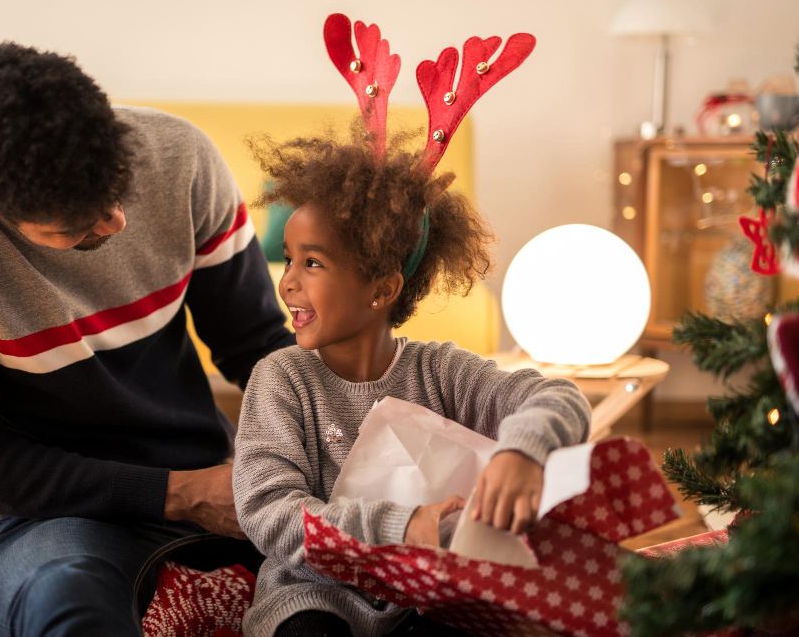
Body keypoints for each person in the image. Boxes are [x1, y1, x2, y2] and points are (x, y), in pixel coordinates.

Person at [0, 42, 293, 636]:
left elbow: (257, 343)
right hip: (51, 515)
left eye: (117, 190)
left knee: (371, 588)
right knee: (69, 611)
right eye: (74, 224)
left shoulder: (179, 155)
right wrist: (181, 495)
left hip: (214, 476)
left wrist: (320, 441)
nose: (117, 223)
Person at [232, 132, 592, 637]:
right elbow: (268, 513)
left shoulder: (439, 371)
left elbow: (559, 397)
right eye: (288, 259)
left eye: (311, 263)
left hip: (428, 596)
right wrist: (405, 526)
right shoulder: (281, 379)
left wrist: (524, 452)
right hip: (314, 594)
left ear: (383, 288)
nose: (287, 281)